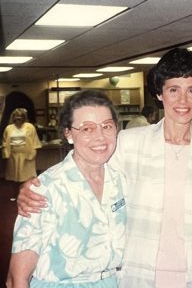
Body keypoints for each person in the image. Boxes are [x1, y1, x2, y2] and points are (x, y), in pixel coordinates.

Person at [17, 48, 192, 288]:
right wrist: (37, 187)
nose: (183, 101)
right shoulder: (129, 143)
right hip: (140, 274)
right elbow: (87, 172)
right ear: (159, 94)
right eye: (173, 90)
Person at [7, 90, 126, 287]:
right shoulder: (45, 189)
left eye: (106, 126)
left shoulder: (121, 181)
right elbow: (16, 278)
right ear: (68, 134)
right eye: (87, 129)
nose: (100, 137)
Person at [2, 108, 42, 182]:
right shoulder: (8, 128)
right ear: (13, 117)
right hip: (13, 156)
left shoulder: (30, 127)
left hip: (27, 156)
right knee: (13, 179)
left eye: (21, 116)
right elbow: (4, 142)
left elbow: (35, 141)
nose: (18, 118)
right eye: (16, 116)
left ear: (24, 117)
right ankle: (15, 193)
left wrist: (33, 153)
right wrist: (5, 152)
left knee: (27, 179)